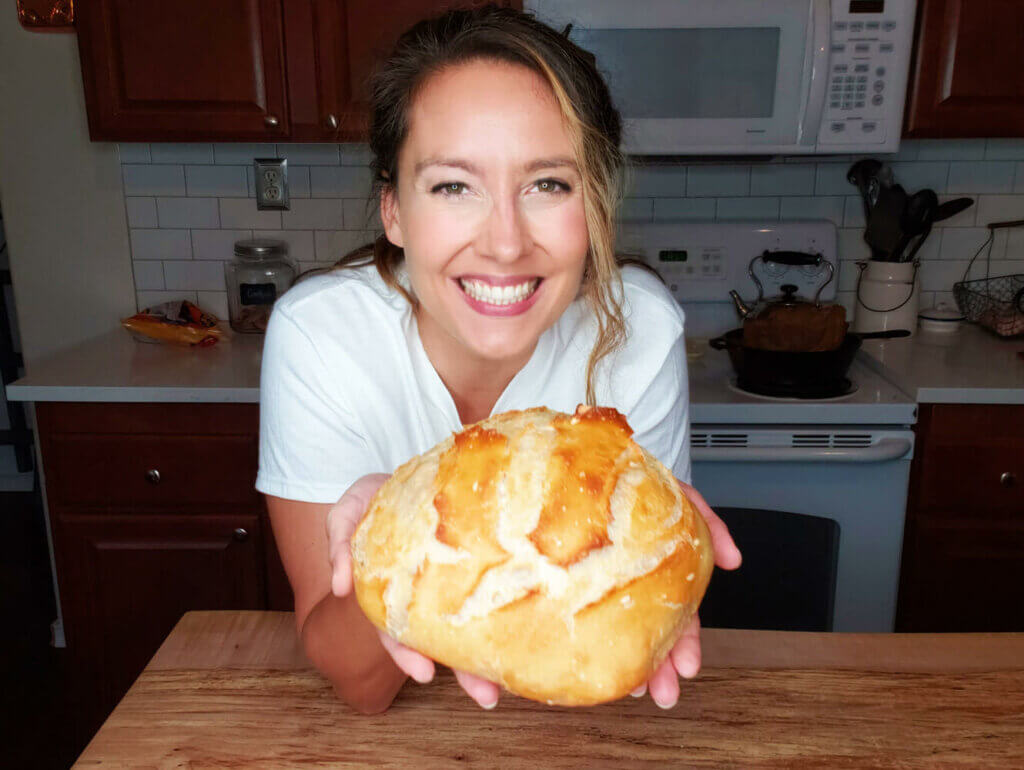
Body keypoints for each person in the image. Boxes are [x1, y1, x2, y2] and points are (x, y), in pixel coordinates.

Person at [256, 5, 741, 715]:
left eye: (549, 184)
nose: (506, 243)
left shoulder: (636, 326)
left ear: (595, 205)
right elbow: (359, 686)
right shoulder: (323, 335)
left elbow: (625, 639)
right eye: (454, 185)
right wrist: (386, 542)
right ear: (393, 210)